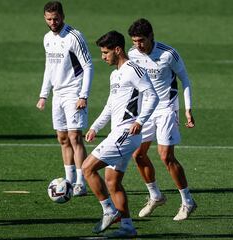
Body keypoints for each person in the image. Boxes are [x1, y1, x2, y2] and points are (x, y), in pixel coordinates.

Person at [82, 30, 159, 238]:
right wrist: (95, 127)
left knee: (87, 168)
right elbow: (110, 105)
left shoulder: (134, 70)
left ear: (118, 50)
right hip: (117, 132)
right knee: (112, 181)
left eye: (106, 52)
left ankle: (109, 210)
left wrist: (140, 121)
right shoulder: (115, 74)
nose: (103, 56)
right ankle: (127, 227)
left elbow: (153, 96)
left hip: (127, 133)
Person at [127, 18, 197, 220]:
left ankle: (187, 202)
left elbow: (185, 80)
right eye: (134, 41)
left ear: (151, 37)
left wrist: (188, 109)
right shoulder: (132, 55)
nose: (138, 45)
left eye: (141, 40)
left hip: (167, 108)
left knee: (165, 156)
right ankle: (155, 196)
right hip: (145, 111)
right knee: (138, 155)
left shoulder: (168, 54)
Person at [36, 1, 93, 196]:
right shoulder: (47, 38)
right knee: (62, 138)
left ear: (63, 16)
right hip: (58, 94)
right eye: (49, 19)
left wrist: (83, 95)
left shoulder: (74, 37)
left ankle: (80, 183)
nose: (53, 22)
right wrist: (44, 94)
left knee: (75, 136)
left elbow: (88, 66)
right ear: (45, 18)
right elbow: (49, 68)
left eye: (56, 18)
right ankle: (68, 180)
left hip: (74, 92)